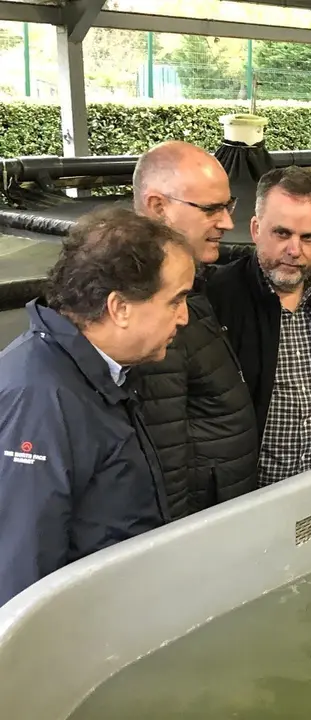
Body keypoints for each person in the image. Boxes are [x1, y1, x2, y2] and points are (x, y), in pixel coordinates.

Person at [0, 208, 194, 606]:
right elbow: (22, 578)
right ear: (119, 307)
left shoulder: (101, 373)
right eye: (176, 300)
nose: (185, 317)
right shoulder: (38, 399)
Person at [207, 167, 311, 485]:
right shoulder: (216, 299)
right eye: (282, 234)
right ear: (255, 229)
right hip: (253, 496)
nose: (295, 251)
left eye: (309, 237)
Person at [128, 140, 259, 520]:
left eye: (228, 205)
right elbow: (164, 458)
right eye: (211, 209)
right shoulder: (150, 306)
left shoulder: (191, 285)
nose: (228, 223)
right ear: (158, 207)